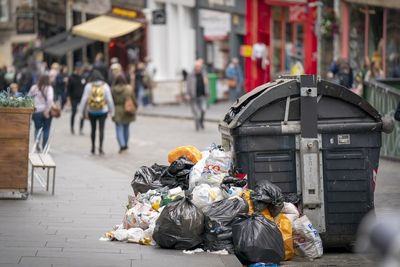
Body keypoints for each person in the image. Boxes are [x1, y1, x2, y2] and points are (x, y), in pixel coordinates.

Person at [79, 70, 114, 155]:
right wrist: (112, 111)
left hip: (92, 111)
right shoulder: (105, 86)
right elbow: (109, 100)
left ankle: (93, 148)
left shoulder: (88, 86)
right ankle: (101, 148)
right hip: (103, 111)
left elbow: (84, 99)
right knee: (101, 130)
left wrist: (81, 112)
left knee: (93, 130)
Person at [28, 74, 54, 151]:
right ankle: (44, 147)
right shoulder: (49, 88)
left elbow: (28, 97)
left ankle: (37, 143)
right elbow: (50, 100)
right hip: (46, 111)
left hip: (36, 111)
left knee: (37, 128)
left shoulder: (34, 88)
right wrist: (47, 110)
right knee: (46, 129)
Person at [111, 74, 136, 153]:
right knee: (126, 128)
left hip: (117, 110)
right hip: (127, 110)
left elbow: (111, 101)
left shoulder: (112, 90)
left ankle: (122, 145)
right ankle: (125, 144)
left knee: (119, 128)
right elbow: (133, 99)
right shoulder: (128, 89)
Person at [186, 59, 209, 131]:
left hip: (202, 96)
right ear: (195, 67)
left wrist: (208, 92)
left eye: (199, 66)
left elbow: (207, 84)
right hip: (193, 96)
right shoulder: (190, 75)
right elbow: (187, 85)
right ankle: (197, 125)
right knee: (196, 112)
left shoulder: (204, 74)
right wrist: (187, 94)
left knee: (203, 110)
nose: (198, 68)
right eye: (197, 66)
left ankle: (201, 121)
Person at [67, 62, 85, 135]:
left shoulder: (82, 77)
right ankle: (72, 127)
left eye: (80, 69)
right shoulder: (71, 77)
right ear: (76, 68)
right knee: (74, 112)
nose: (79, 70)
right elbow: (68, 89)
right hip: (74, 97)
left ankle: (81, 128)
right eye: (78, 68)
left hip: (82, 98)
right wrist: (68, 99)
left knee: (82, 113)